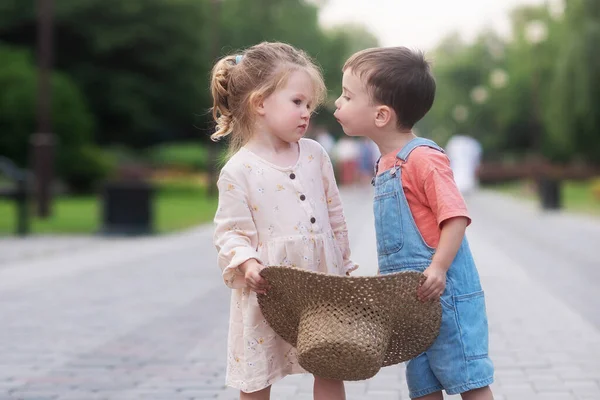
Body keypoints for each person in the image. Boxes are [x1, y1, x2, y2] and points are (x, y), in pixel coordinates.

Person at [333, 47, 494, 400]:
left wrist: (438, 268)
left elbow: (455, 217)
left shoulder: (423, 158)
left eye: (346, 96)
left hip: (444, 292)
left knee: (468, 376)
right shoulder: (385, 164)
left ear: (381, 115)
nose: (336, 103)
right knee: (421, 382)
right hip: (410, 300)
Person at [211, 42, 356, 400]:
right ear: (260, 103)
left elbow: (335, 215)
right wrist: (246, 263)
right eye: (297, 102)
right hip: (269, 289)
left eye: (309, 105)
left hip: (321, 283)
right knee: (259, 372)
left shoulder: (315, 155)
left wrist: (345, 264)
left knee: (329, 362)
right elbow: (230, 232)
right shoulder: (238, 170)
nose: (306, 112)